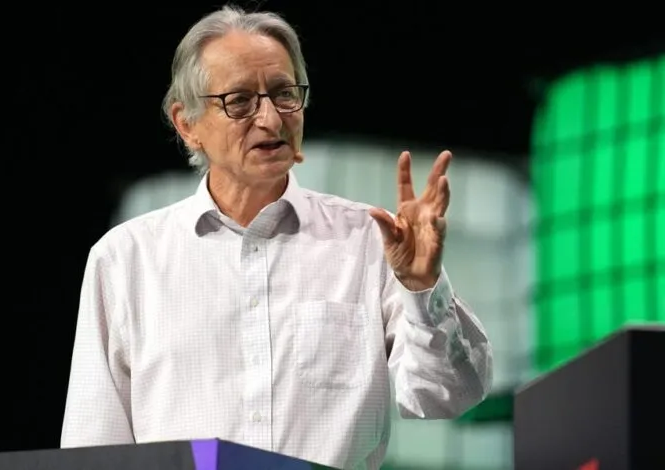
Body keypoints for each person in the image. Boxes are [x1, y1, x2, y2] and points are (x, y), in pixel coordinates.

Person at [60, 5, 493, 469]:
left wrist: (422, 287)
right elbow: (93, 451)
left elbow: (447, 396)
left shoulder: (372, 241)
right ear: (187, 124)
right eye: (240, 101)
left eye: (284, 94)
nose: (270, 118)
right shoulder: (125, 259)